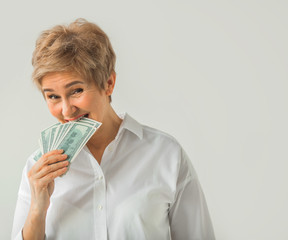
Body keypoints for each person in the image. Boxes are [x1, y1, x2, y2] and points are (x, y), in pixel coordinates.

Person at [11, 18, 215, 240]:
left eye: (76, 90)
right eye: (52, 96)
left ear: (108, 83)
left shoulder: (166, 154)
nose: (66, 110)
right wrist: (37, 209)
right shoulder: (37, 168)